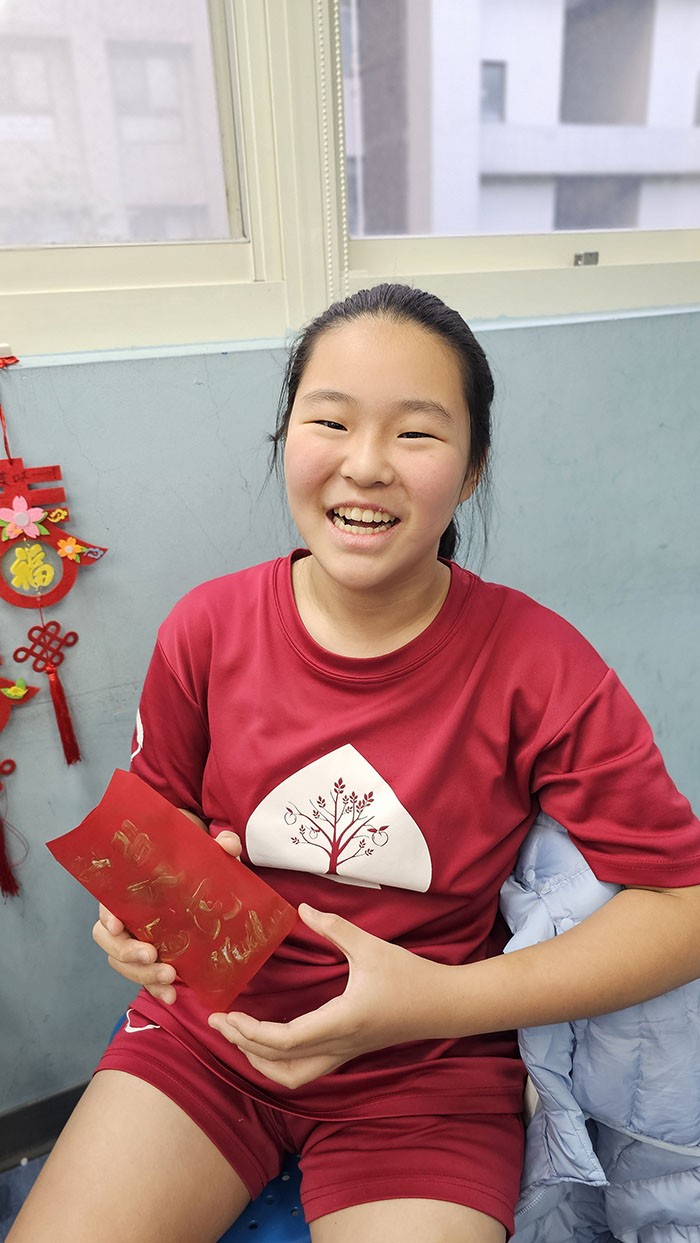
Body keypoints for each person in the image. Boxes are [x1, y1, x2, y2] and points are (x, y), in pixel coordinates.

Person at [10, 283, 700, 1243]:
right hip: (208, 1043)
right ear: (286, 438)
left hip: (429, 1071)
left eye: (416, 433)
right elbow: (158, 826)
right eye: (330, 421)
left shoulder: (542, 666)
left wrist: (440, 1000)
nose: (366, 464)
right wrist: (134, 919)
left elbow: (682, 905)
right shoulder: (206, 629)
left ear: (471, 469)